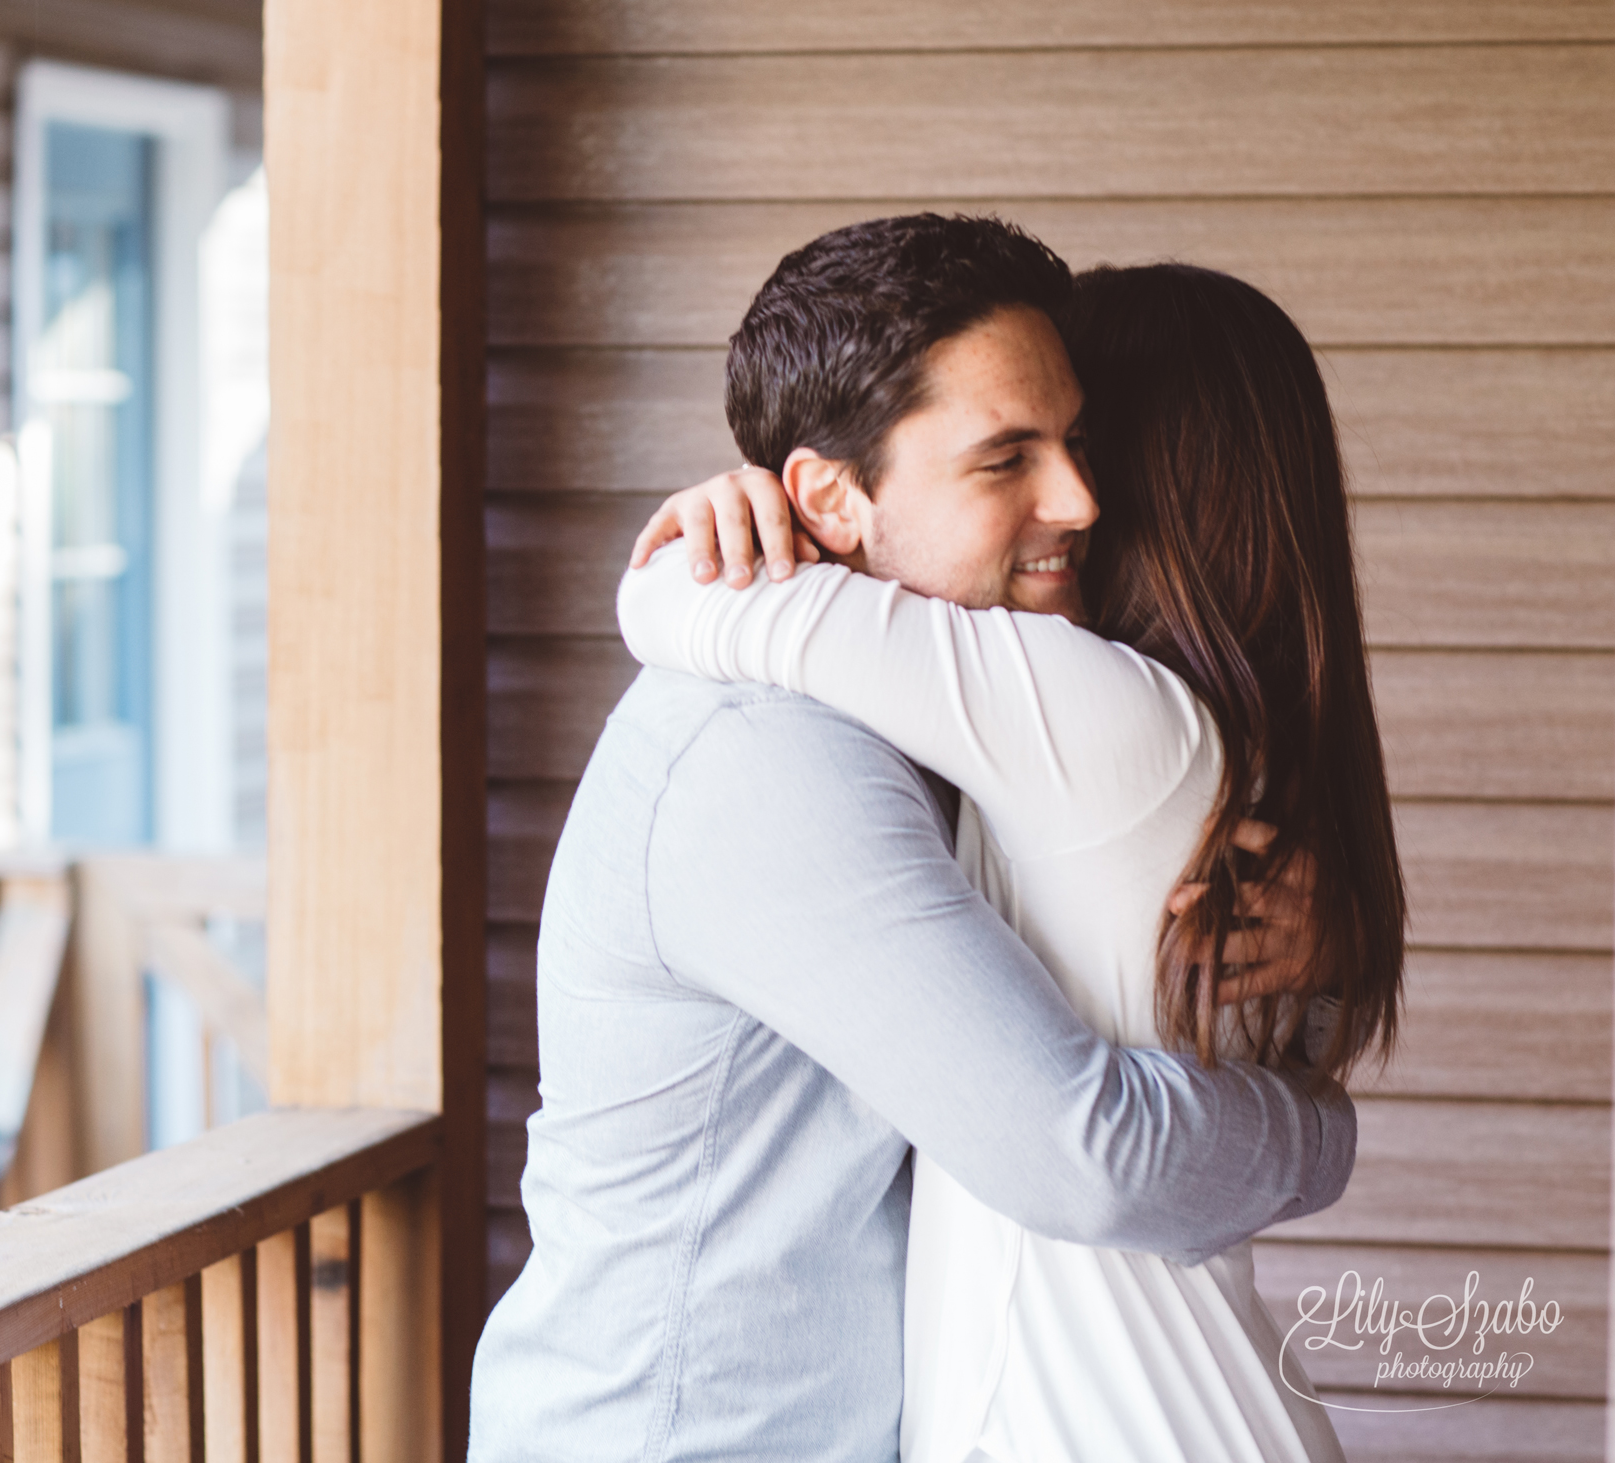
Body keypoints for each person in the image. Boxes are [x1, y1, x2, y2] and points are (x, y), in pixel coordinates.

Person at [467, 214, 1360, 1463]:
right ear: (828, 497)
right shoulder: (765, 752)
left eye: (1082, 441)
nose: (1082, 500)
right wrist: (1316, 1126)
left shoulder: (962, 717)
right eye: (1007, 458)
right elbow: (1081, 1152)